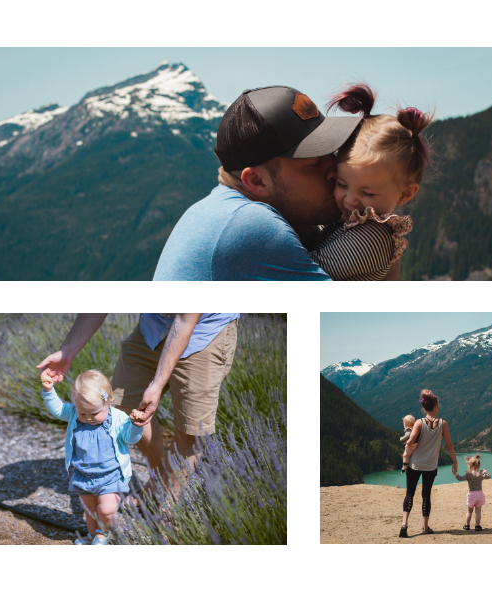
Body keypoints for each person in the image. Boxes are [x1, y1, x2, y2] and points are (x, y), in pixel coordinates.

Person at [152, 85, 400, 281]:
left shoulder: (224, 209)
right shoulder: (251, 225)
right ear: (257, 181)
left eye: (332, 153)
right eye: (313, 163)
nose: (334, 170)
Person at [36, 313, 239, 495]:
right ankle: (160, 479)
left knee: (190, 430)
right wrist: (66, 352)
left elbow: (185, 319)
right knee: (125, 406)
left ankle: (170, 510)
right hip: (154, 328)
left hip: (203, 334)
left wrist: (157, 384)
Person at [308, 84, 433, 281]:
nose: (349, 200)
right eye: (341, 184)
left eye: (367, 193)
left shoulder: (372, 238)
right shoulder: (350, 220)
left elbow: (299, 274)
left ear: (405, 194)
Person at [40, 369, 143, 545]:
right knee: (89, 510)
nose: (88, 418)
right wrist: (49, 391)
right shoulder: (74, 414)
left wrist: (136, 426)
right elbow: (57, 410)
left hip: (111, 475)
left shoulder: (118, 418)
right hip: (84, 474)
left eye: (94, 413)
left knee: (107, 509)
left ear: (109, 402)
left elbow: (130, 438)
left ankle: (103, 534)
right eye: (83, 413)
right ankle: (92, 534)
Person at [400, 389, 458, 538]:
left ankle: (404, 524)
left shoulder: (419, 422)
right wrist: (455, 461)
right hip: (430, 466)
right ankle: (425, 527)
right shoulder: (443, 424)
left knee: (410, 493)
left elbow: (411, 440)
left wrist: (407, 447)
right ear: (436, 406)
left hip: (414, 465)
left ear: (424, 407)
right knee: (426, 495)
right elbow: (449, 445)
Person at [455, 454, 491, 531]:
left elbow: (460, 478)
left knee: (469, 511)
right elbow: (489, 476)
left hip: (471, 495)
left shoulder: (468, 475)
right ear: (479, 466)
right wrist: (485, 471)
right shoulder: (481, 475)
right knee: (478, 512)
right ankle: (477, 526)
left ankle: (467, 526)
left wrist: (455, 473)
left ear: (469, 466)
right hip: (480, 495)